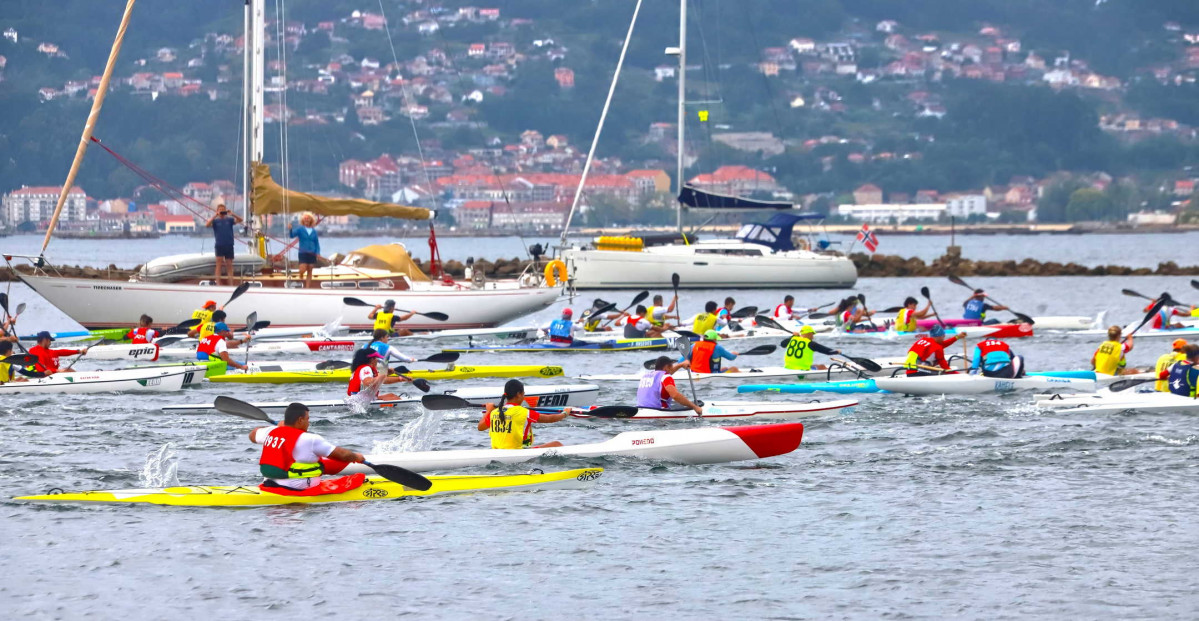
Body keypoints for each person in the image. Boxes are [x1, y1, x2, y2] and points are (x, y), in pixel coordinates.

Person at [249, 402, 367, 493]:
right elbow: (342, 455)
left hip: (269, 484)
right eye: (308, 419)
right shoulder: (310, 439)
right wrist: (356, 456)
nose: (308, 422)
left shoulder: (270, 432)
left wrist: (279, 427)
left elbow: (253, 435)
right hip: (296, 488)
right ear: (300, 420)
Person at [478, 379, 568, 448]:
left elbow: (480, 427)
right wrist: (565, 413)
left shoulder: (494, 412)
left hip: (498, 452)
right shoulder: (524, 412)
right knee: (557, 444)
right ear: (519, 394)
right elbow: (550, 419)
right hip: (519, 453)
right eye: (523, 394)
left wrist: (489, 410)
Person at [636, 356, 703, 413]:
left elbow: (667, 372)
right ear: (667, 367)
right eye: (671, 366)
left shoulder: (646, 376)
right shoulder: (666, 377)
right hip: (658, 413)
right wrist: (694, 407)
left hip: (641, 408)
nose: (672, 368)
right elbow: (675, 395)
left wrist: (681, 365)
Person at [205, 204, 243, 286]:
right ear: (217, 211)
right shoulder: (215, 221)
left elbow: (240, 220)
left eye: (223, 209)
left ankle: (231, 284)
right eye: (220, 210)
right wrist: (215, 215)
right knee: (218, 264)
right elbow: (207, 225)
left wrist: (232, 214)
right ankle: (218, 283)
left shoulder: (229, 220)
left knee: (229, 265)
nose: (222, 211)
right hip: (219, 244)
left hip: (229, 244)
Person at [288, 213, 323, 289]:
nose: (307, 219)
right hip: (303, 252)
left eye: (308, 218)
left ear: (311, 220)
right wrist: (290, 229)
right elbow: (291, 236)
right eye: (305, 218)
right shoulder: (300, 229)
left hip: (312, 253)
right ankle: (300, 275)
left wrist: (318, 253)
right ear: (303, 220)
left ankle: (307, 288)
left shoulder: (314, 231)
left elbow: (316, 243)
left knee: (310, 270)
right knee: (302, 269)